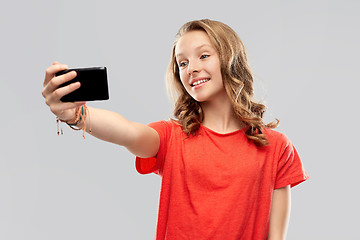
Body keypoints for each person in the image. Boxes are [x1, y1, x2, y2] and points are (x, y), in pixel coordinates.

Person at [42, 19, 309, 240]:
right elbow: (128, 132)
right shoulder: (172, 137)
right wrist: (76, 115)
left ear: (231, 59)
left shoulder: (274, 146)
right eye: (182, 63)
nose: (192, 68)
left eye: (203, 55)